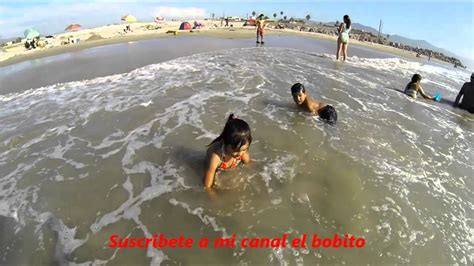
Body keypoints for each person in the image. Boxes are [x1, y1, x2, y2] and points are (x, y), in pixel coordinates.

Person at [203, 114, 252, 189]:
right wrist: (212, 196)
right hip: (213, 167)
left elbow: (249, 165)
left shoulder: (242, 150)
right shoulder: (216, 156)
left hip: (227, 167)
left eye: (244, 149)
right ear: (224, 142)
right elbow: (207, 186)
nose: (240, 153)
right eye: (236, 150)